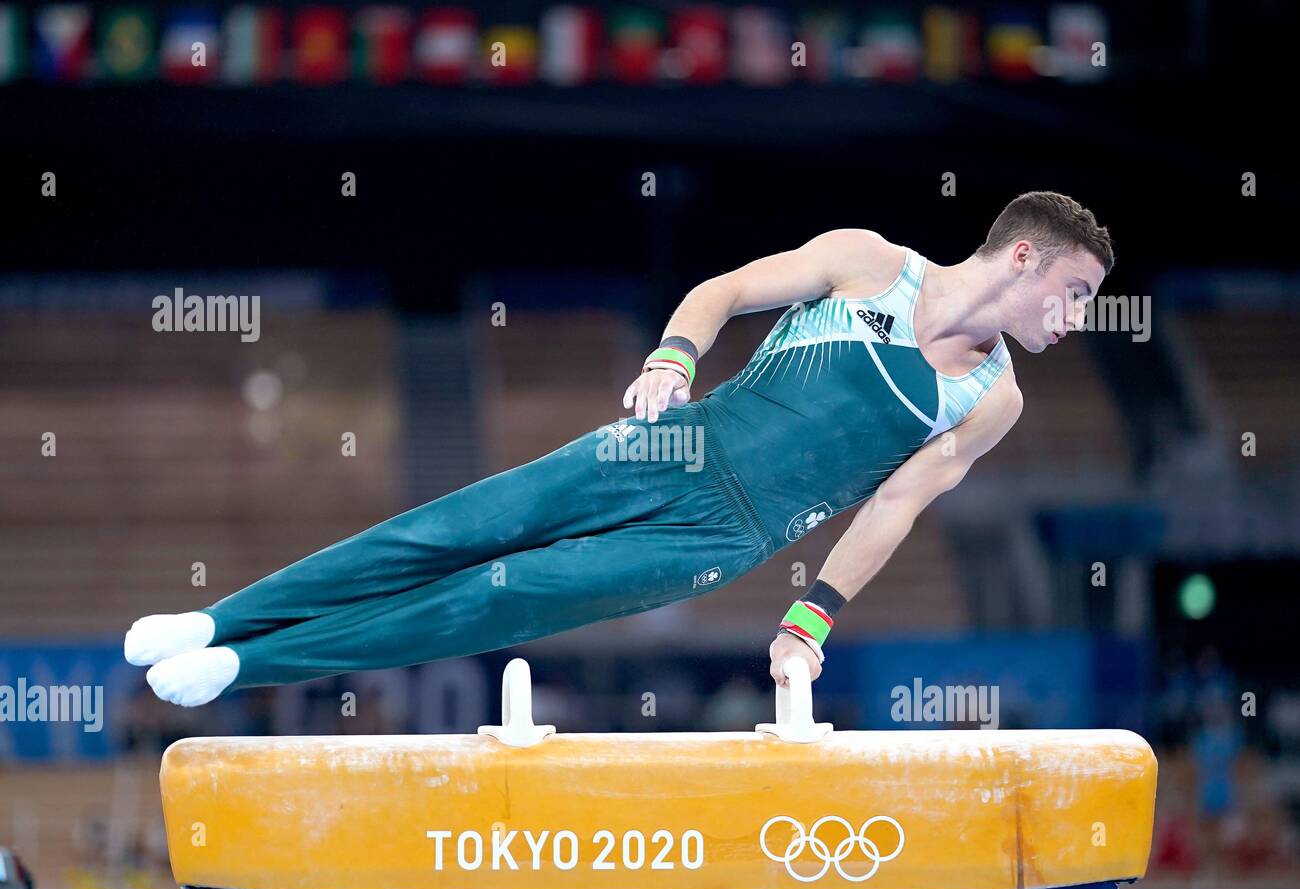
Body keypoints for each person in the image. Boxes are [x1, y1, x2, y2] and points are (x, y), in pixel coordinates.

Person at [126, 190, 1111, 706]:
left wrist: (806, 624)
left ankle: (241, 669)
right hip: (675, 442)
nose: (1074, 318)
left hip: (720, 539)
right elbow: (721, 291)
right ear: (1020, 256)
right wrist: (671, 363)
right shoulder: (867, 264)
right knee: (450, 532)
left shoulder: (992, 399)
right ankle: (215, 622)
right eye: (1072, 292)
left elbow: (893, 505)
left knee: (483, 601)